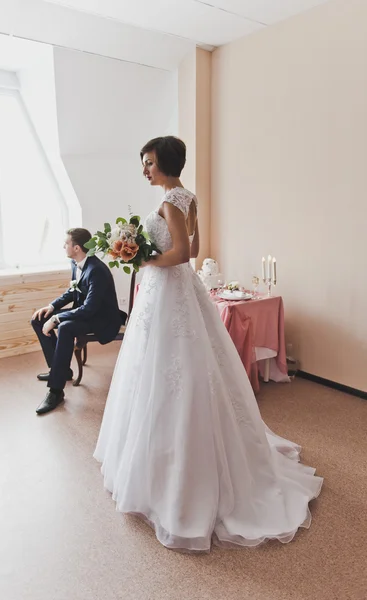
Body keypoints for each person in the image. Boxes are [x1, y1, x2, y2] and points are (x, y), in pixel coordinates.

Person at [93, 136, 323, 551]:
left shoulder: (168, 202)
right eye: (143, 164)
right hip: (180, 291)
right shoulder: (189, 197)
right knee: (184, 366)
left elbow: (181, 253)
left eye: (148, 163)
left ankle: (175, 476)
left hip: (168, 288)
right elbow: (197, 249)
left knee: (166, 368)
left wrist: (141, 258)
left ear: (163, 162)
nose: (144, 170)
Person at [31, 228, 122, 416]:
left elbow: (89, 309)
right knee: (39, 320)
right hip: (86, 313)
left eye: (66, 243)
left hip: (101, 319)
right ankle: (61, 371)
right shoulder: (76, 263)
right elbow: (73, 292)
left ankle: (56, 392)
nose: (64, 246)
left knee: (64, 327)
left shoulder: (97, 270)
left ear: (77, 247)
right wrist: (51, 307)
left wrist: (57, 318)